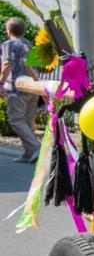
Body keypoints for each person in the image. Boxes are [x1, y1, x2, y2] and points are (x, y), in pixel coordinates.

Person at [1, 17, 40, 163]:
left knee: (16, 120)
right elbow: (35, 66)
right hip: (32, 87)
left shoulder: (9, 44)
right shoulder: (29, 44)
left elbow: (6, 64)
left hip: (16, 87)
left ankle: (36, 147)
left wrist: (1, 83)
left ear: (9, 31)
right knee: (27, 121)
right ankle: (28, 153)